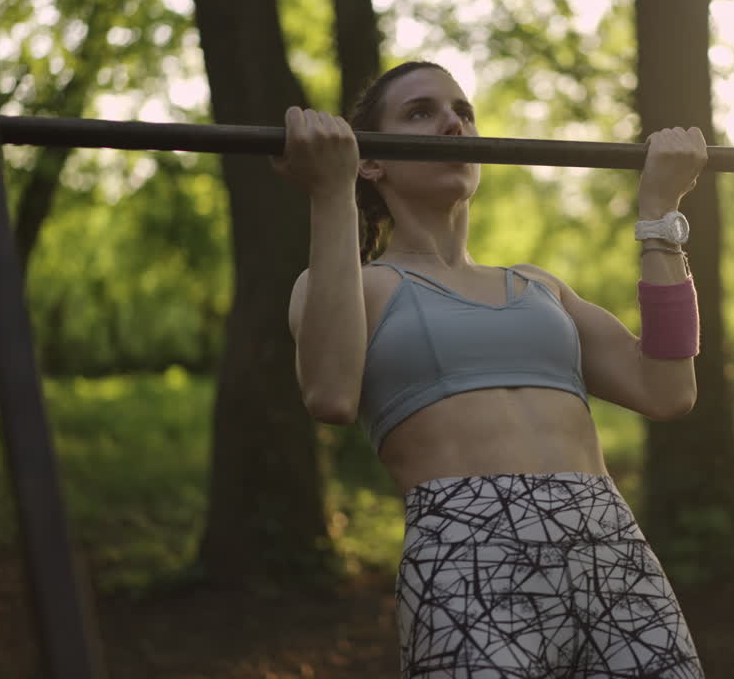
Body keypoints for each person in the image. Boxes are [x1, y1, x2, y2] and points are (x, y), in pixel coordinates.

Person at [278, 60, 707, 678]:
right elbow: (329, 393)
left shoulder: (540, 288)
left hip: (611, 548)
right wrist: (330, 191)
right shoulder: (357, 287)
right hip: (469, 556)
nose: (452, 122)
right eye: (421, 113)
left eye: (462, 110)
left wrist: (660, 214)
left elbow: (668, 388)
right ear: (370, 160)